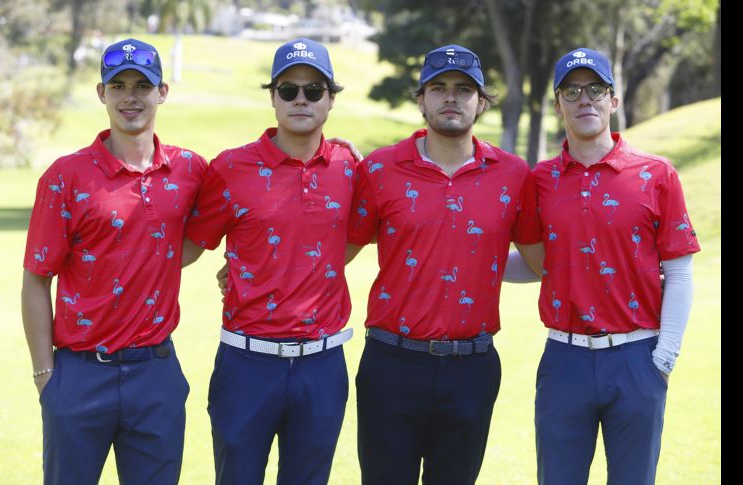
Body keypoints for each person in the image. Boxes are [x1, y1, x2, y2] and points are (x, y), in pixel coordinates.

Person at [345, 44, 543, 484]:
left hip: (472, 368)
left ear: (481, 101)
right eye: (438, 88)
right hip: (391, 362)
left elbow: (543, 263)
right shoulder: (379, 168)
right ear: (421, 99)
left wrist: (638, 267)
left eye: (463, 89)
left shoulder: (513, 174)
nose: (450, 97)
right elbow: (332, 252)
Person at [21, 38, 207, 484]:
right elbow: (35, 279)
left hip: (156, 373)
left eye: (142, 85)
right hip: (80, 374)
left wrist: (328, 146)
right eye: (118, 85)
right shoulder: (66, 176)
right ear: (101, 93)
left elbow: (245, 201)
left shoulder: (190, 170)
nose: (130, 97)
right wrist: (46, 375)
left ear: (162, 92)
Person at [182, 38, 358, 485]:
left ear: (331, 98)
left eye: (314, 90)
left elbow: (358, 237)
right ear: (273, 98)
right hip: (247, 363)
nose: (301, 99)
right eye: (289, 89)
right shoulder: (229, 168)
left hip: (322, 363)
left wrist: (297, 267)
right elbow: (188, 246)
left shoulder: (352, 167)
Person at [528, 47, 701, 485]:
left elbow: (679, 272)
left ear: (613, 100)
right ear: (557, 104)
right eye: (572, 91)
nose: (584, 99)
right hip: (563, 358)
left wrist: (663, 357)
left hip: (636, 358)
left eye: (596, 89)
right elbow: (538, 262)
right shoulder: (540, 181)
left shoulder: (656, 174)